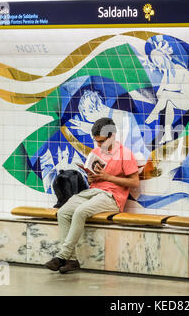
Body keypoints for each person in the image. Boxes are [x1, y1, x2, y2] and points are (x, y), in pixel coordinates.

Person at [44, 117, 140, 273]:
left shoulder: (125, 154)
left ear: (112, 136)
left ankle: (62, 256)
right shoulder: (95, 152)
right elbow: (92, 179)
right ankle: (72, 260)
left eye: (102, 141)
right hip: (93, 191)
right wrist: (90, 177)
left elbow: (135, 182)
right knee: (62, 212)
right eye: (96, 141)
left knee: (81, 211)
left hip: (112, 197)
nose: (99, 145)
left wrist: (107, 177)